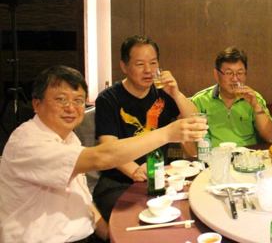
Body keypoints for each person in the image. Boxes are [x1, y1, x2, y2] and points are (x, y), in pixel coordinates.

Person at [0, 66, 206, 243]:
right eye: (61, 100)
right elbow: (102, 156)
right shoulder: (28, 142)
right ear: (37, 104)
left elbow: (81, 198)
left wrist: (108, 234)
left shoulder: (69, 137)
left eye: (78, 100)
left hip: (84, 236)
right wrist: (167, 134)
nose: (71, 108)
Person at [93, 35, 198, 222]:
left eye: (153, 63)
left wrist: (176, 93)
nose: (148, 70)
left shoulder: (163, 93)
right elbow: (108, 147)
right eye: (140, 64)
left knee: (186, 213)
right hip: (119, 181)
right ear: (124, 66)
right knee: (134, 219)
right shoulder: (108, 99)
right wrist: (135, 171)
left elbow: (195, 120)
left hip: (160, 178)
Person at [190, 46, 272, 147]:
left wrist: (256, 106)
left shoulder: (254, 98)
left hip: (248, 154)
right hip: (214, 155)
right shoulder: (200, 100)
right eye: (229, 73)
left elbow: (271, 137)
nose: (235, 79)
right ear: (216, 74)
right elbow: (188, 139)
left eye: (240, 73)